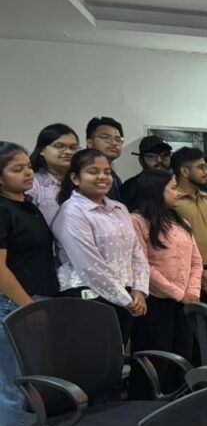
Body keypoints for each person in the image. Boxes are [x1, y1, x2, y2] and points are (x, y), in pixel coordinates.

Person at [0, 142, 62, 426]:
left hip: (35, 301)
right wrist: (28, 306)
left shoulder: (26, 205)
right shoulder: (2, 210)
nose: (27, 173)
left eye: (27, 166)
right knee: (13, 389)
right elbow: (0, 270)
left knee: (31, 387)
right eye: (17, 168)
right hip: (15, 306)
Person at [52, 148, 149, 345]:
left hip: (125, 294)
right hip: (88, 296)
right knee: (93, 357)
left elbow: (136, 252)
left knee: (116, 356)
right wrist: (124, 299)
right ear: (75, 178)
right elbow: (89, 265)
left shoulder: (119, 208)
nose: (103, 177)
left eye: (107, 172)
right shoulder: (72, 211)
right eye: (93, 171)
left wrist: (139, 289)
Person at [129, 169, 202, 377]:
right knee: (156, 357)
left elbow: (196, 260)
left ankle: (179, 395)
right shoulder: (136, 221)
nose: (178, 193)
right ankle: (150, 397)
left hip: (185, 302)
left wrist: (192, 292)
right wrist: (179, 294)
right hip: (155, 301)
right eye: (173, 188)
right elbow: (142, 265)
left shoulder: (181, 222)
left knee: (183, 354)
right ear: (155, 191)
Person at [171, 148, 207, 309]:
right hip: (180, 277)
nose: (206, 172)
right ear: (185, 171)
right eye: (201, 167)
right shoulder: (171, 200)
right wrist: (198, 276)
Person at [28, 123, 79, 225]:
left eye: (73, 147)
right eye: (60, 146)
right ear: (42, 150)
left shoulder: (81, 180)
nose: (68, 152)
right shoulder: (32, 183)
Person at [122, 136, 172, 212]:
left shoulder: (176, 184)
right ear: (141, 160)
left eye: (165, 155)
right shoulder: (130, 187)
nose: (159, 160)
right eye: (151, 156)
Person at [85, 116, 126, 203]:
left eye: (118, 140)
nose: (114, 143)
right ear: (90, 142)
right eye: (106, 138)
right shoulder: (84, 173)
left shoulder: (114, 176)